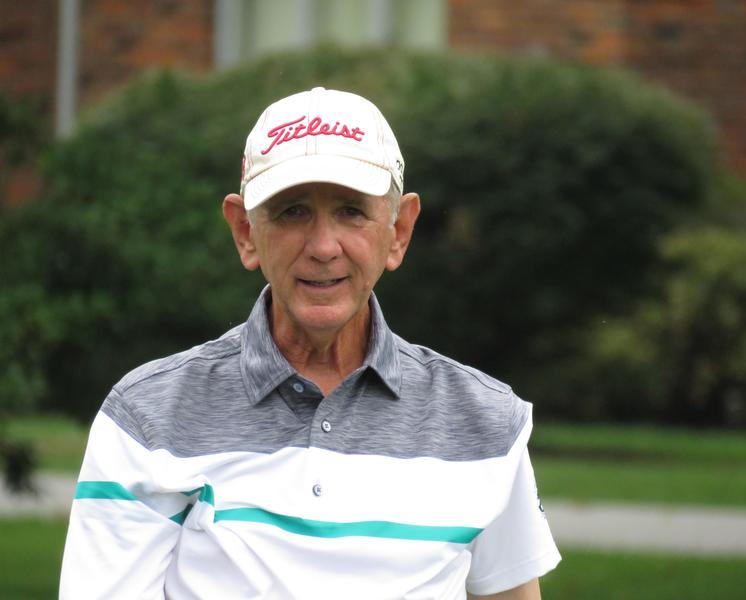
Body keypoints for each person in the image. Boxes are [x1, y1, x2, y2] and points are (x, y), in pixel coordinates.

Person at [60, 87, 561, 599]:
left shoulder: (486, 423)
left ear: (399, 231)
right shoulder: (147, 418)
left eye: (351, 211)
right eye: (292, 212)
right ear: (245, 231)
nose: (323, 247)